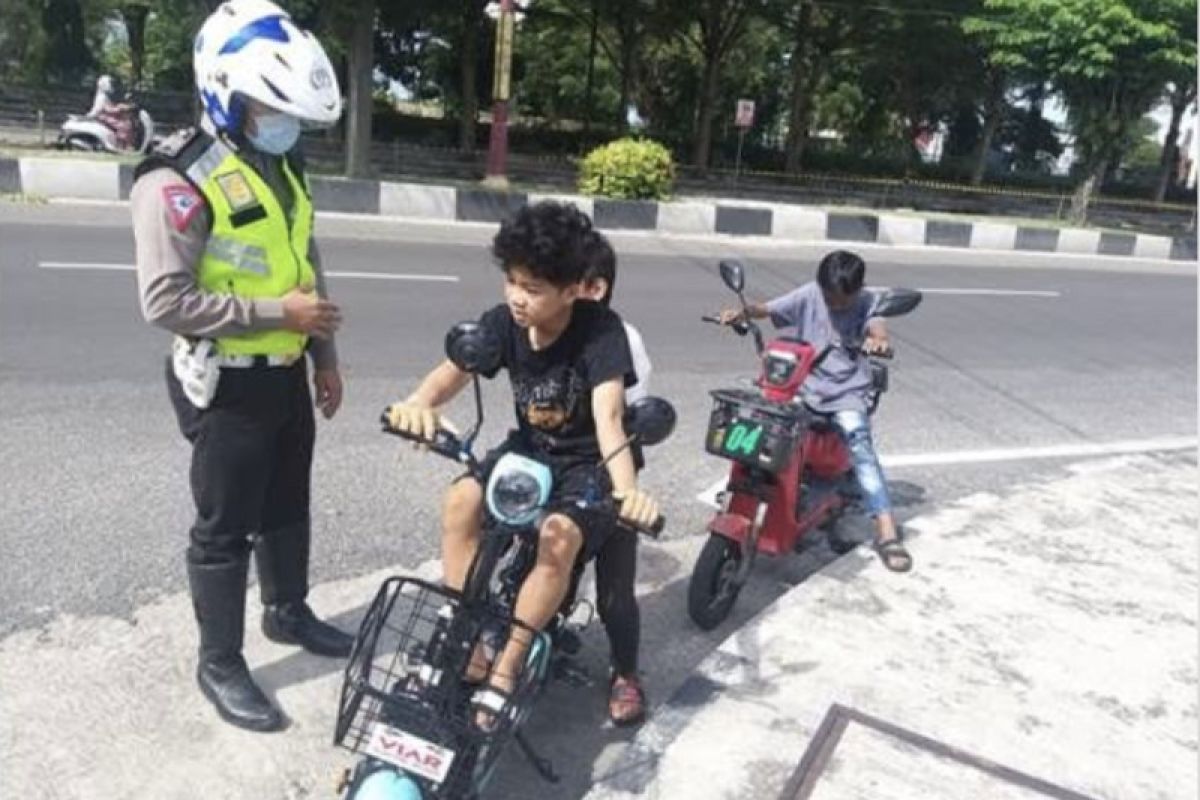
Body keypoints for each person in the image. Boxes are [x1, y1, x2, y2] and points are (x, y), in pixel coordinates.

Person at [130, 0, 353, 733]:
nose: (281, 122)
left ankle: (287, 612)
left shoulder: (284, 166)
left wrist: (322, 352)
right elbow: (165, 300)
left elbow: (304, 257)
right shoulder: (176, 178)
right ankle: (219, 661)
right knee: (225, 525)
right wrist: (276, 317)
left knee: (288, 503)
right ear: (226, 91)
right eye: (268, 107)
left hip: (286, 370)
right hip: (224, 380)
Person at [385, 201, 660, 729]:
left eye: (532, 289)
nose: (516, 297)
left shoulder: (602, 332)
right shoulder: (503, 323)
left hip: (586, 466)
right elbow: (453, 371)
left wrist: (626, 492)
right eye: (510, 281)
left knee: (564, 542)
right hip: (529, 452)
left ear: (574, 289)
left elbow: (608, 416)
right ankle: (467, 638)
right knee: (461, 497)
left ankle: (508, 668)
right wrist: (419, 403)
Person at [718, 249, 913, 573]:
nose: (835, 304)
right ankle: (744, 503)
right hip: (801, 385)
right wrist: (741, 314)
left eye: (842, 299)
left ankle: (886, 531)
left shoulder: (869, 303)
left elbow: (878, 330)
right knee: (759, 425)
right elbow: (768, 309)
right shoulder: (811, 294)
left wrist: (877, 341)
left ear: (857, 289)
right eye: (829, 296)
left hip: (845, 392)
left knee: (860, 447)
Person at [569, 229, 651, 725]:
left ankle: (626, 672)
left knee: (614, 591)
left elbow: (618, 424)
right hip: (553, 471)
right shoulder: (544, 329)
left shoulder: (622, 342)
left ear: (592, 289)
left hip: (608, 472)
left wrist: (623, 492)